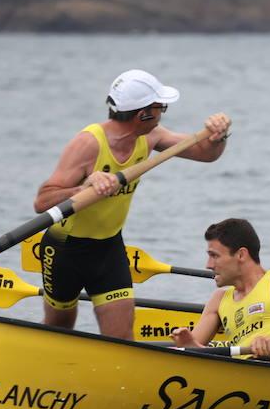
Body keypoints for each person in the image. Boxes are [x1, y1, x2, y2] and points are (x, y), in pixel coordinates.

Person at [34, 69, 231, 339]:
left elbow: (206, 154)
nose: (163, 112)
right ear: (143, 114)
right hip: (64, 250)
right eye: (161, 107)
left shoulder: (152, 136)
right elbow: (43, 200)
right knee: (58, 331)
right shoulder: (87, 144)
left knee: (121, 339)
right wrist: (85, 188)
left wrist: (218, 137)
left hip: (109, 249)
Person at [171, 219, 270, 364]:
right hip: (240, 369)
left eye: (215, 256)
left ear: (241, 255)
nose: (208, 265)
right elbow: (191, 354)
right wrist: (189, 345)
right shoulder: (218, 300)